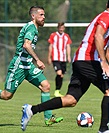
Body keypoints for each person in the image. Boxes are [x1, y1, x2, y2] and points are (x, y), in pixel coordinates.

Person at [21, 1, 109, 132]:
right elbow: (98, 36)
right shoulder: (106, 16)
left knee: (71, 100)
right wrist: (103, 61)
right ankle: (103, 130)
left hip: (81, 61)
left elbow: (107, 50)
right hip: (88, 60)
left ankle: (32, 109)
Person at [0, 6, 63, 130]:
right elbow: (26, 45)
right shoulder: (31, 28)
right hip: (19, 66)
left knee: (46, 86)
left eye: (44, 15)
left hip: (28, 65)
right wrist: (37, 60)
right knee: (7, 95)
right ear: (33, 16)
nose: (44, 17)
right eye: (41, 15)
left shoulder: (34, 28)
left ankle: (48, 118)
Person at [48, 22, 72, 97]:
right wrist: (49, 57)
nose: (61, 29)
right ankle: (56, 91)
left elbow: (68, 46)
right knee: (59, 73)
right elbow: (50, 46)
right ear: (58, 28)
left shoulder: (66, 36)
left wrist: (68, 56)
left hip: (63, 59)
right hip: (55, 58)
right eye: (60, 28)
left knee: (61, 75)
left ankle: (57, 91)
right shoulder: (53, 35)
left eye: (62, 28)